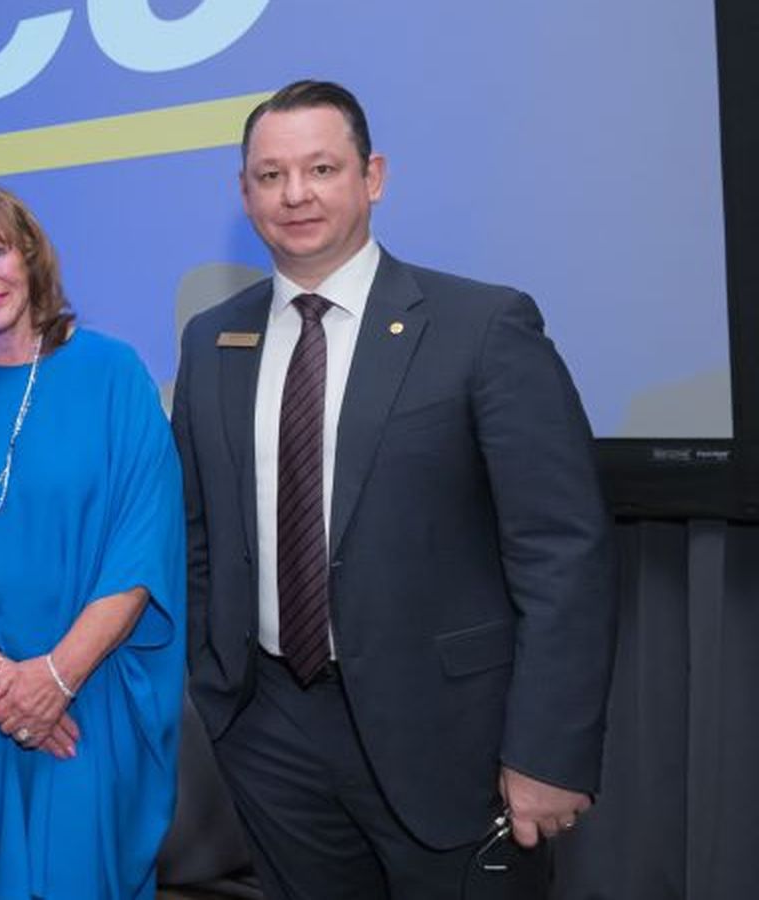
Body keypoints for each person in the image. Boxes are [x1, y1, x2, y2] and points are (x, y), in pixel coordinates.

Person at [172, 80, 618, 898]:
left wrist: (548, 752)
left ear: (371, 177)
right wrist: (222, 698)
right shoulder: (211, 341)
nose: (295, 194)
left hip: (453, 744)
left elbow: (563, 552)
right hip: (269, 731)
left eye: (320, 168)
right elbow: (201, 535)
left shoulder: (482, 327)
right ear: (245, 193)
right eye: (270, 176)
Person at [0, 182, 185, 899]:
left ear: (30, 254)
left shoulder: (114, 376)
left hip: (92, 701)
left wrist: (54, 681)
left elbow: (141, 549)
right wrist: (5, 688)